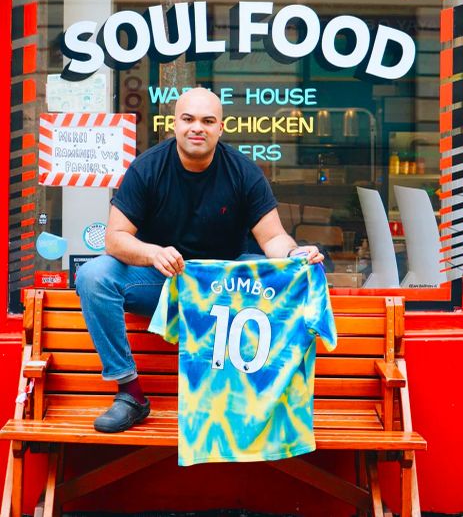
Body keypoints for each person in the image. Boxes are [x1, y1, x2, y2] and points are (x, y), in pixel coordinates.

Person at [76, 87, 323, 433]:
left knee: (277, 274)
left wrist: (296, 255)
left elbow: (272, 239)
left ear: (221, 128)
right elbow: (114, 238)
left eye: (208, 121)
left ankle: (255, 399)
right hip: (165, 285)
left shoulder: (243, 172)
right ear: (173, 124)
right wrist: (152, 252)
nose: (197, 128)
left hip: (225, 291)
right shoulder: (148, 168)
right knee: (93, 276)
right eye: (188, 119)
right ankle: (130, 394)